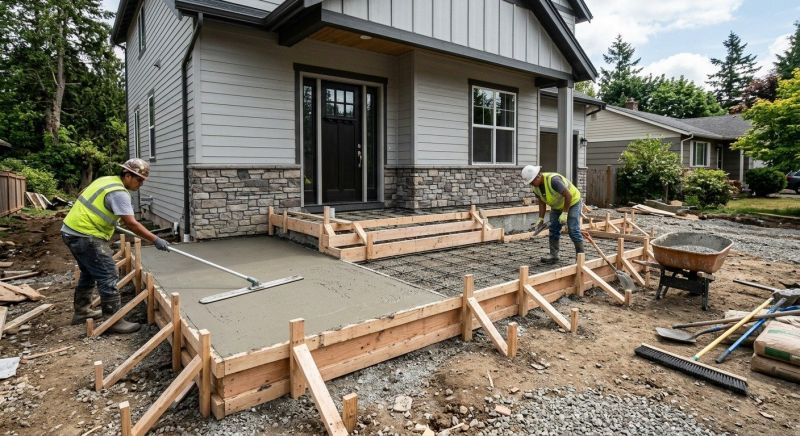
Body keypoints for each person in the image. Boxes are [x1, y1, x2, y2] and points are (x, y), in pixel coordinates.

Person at [62, 158, 170, 334]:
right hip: (85, 235)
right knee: (108, 273)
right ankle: (113, 321)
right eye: (138, 179)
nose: (140, 184)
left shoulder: (106, 180)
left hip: (71, 231)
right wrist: (155, 239)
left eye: (142, 180)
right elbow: (132, 224)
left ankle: (82, 312)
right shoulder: (119, 193)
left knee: (89, 273)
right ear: (127, 175)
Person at [521, 165, 584, 264]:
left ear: (538, 176)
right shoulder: (536, 187)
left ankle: (580, 258)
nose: (532, 184)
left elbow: (568, 195)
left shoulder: (553, 180)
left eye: (532, 182)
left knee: (573, 229)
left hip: (572, 202)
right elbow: (541, 202)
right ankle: (553, 256)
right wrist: (540, 218)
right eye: (530, 183)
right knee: (554, 229)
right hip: (557, 206)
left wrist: (564, 213)